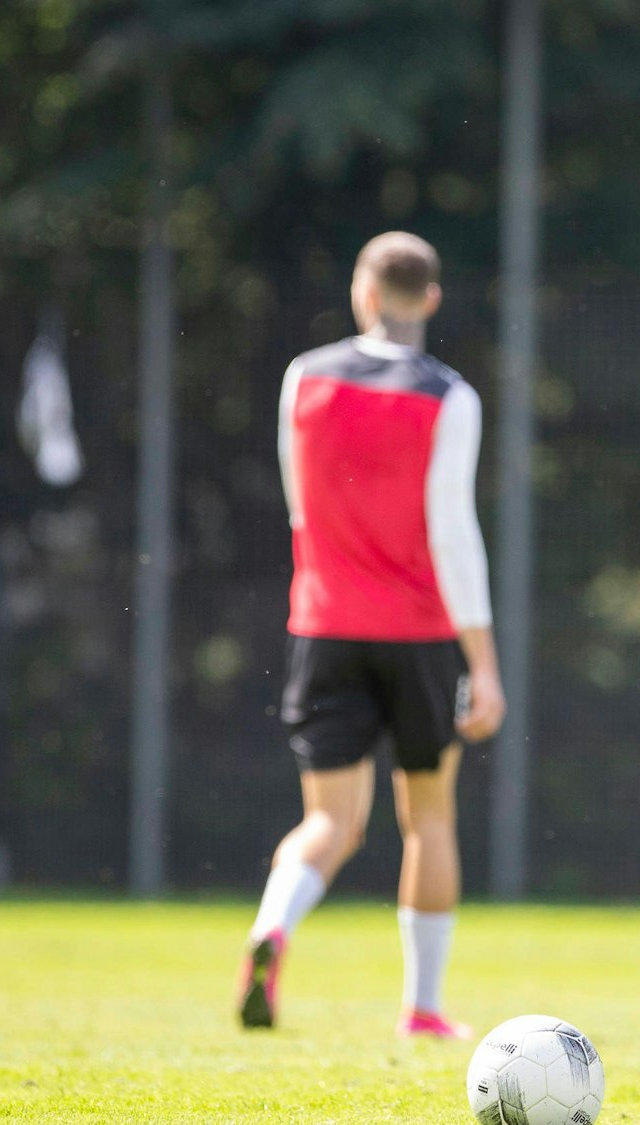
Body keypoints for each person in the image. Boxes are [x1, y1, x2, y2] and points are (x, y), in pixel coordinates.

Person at [236, 232, 506, 1039]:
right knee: (427, 816)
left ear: (362, 292)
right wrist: (483, 662)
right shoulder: (450, 397)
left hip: (324, 624)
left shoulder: (303, 378)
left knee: (330, 821)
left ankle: (273, 927)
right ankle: (422, 1007)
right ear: (430, 300)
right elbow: (452, 531)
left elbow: (298, 506)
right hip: (420, 633)